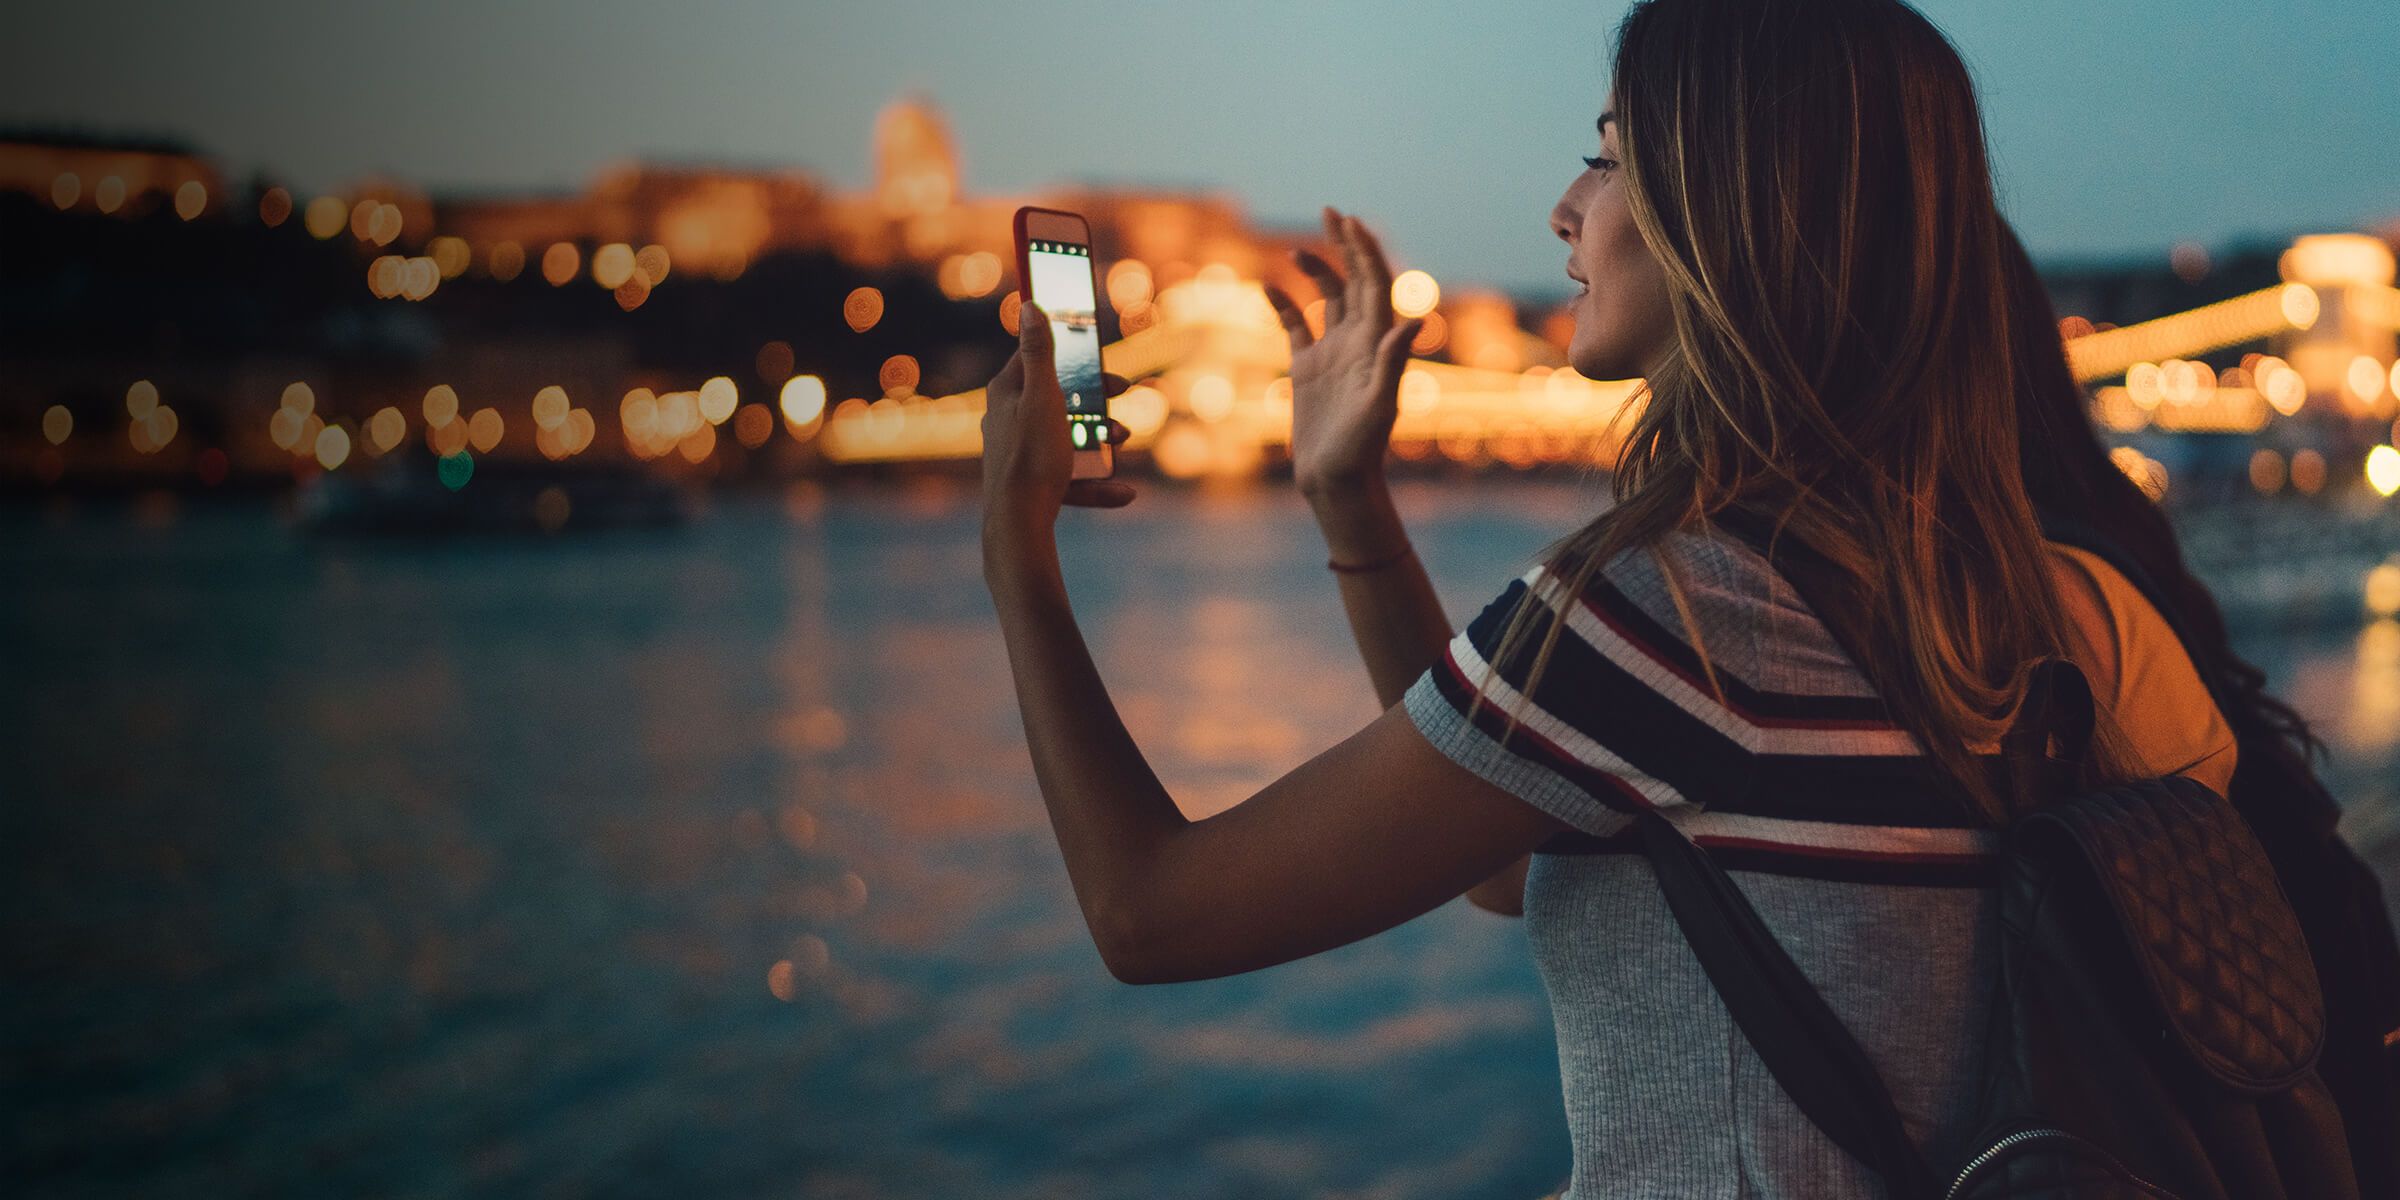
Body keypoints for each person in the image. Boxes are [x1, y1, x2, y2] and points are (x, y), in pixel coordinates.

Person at [976, 0, 2236, 1193]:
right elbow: (1501, 864)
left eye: (1607, 161)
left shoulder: (1676, 611)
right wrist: (1347, 499)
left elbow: (1150, 914)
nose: (1562, 212)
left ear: (1732, 209)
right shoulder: (2064, 610)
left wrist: (1017, 557)